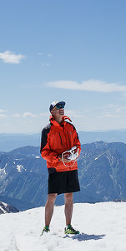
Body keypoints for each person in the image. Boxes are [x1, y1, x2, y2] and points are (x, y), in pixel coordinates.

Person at [40, 100, 82, 235]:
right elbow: (44, 152)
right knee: (52, 197)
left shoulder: (71, 127)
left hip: (71, 166)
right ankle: (46, 228)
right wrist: (59, 158)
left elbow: (78, 144)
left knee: (69, 196)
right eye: (58, 107)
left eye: (63, 106)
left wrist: (76, 154)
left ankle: (68, 226)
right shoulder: (47, 130)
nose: (61, 108)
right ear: (52, 111)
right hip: (56, 168)